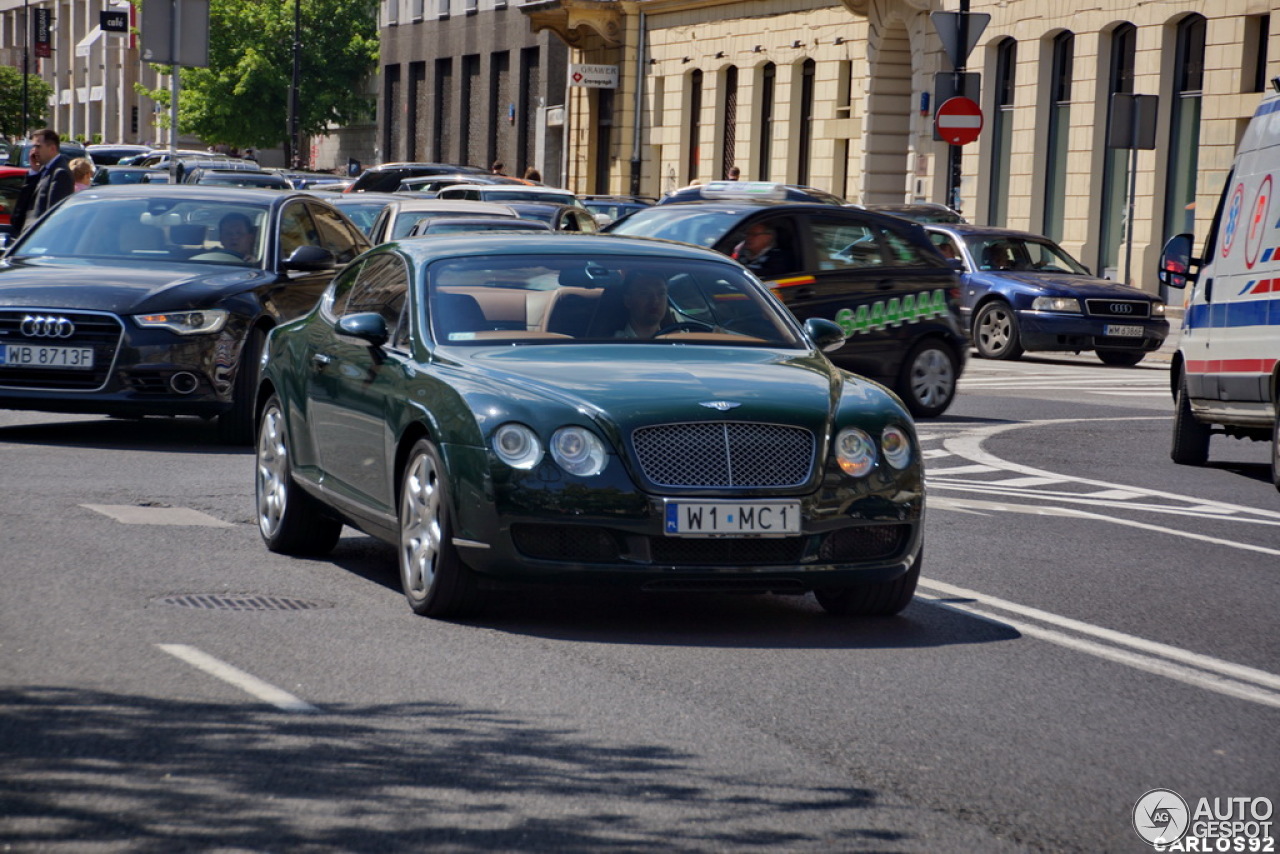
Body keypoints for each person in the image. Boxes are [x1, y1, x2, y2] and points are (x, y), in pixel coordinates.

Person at [15, 128, 74, 233]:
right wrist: (34, 171)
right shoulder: (43, 169)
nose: (34, 151)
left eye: (38, 146)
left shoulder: (60, 173)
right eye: (33, 146)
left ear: (52, 148)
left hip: (40, 236)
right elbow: (24, 203)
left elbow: (53, 215)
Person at [614, 271, 671, 338]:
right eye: (645, 293)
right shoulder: (614, 344)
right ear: (628, 301)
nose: (655, 300)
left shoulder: (680, 341)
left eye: (661, 293)